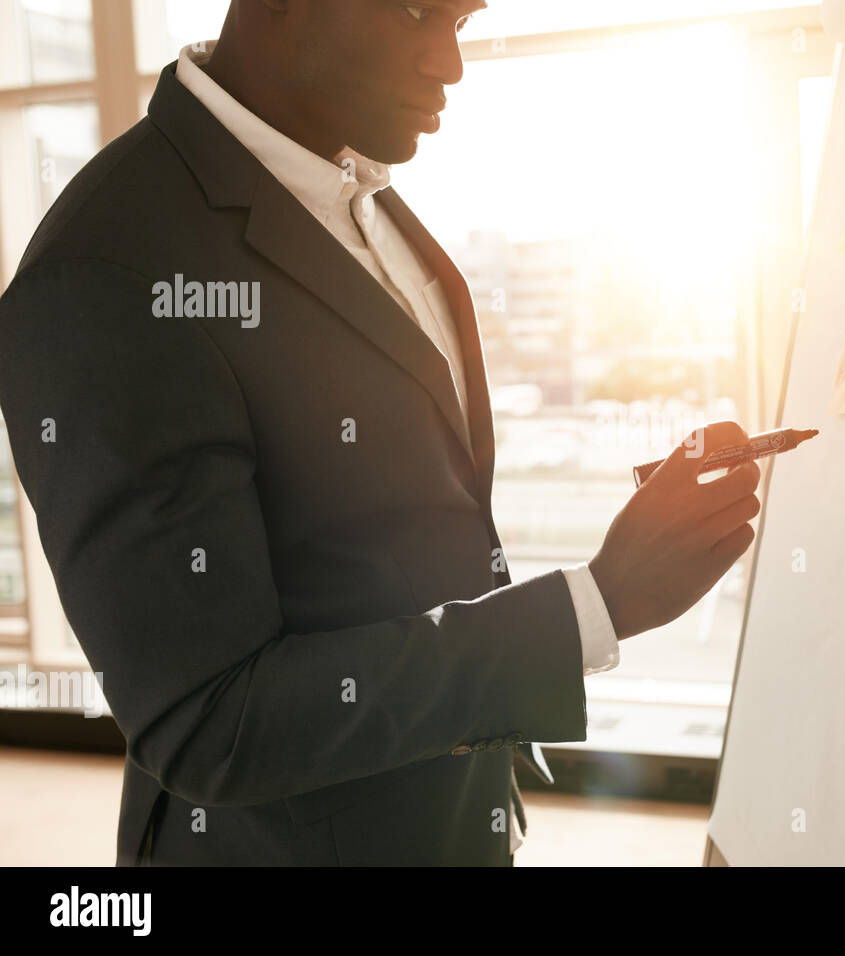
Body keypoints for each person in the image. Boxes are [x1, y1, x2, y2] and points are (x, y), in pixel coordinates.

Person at [0, 0, 760, 866]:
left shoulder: (359, 193)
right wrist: (597, 605)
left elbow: (412, 519)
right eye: (415, 12)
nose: (452, 64)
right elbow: (210, 721)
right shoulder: (104, 272)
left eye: (463, 21)